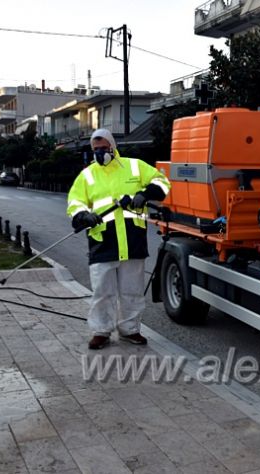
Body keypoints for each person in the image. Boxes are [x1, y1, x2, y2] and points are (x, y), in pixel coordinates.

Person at [67, 129, 171, 350]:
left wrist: (144, 194)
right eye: (96, 150)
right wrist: (84, 215)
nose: (100, 153)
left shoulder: (135, 166)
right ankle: (101, 331)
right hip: (102, 241)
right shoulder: (87, 175)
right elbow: (75, 202)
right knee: (102, 290)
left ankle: (130, 329)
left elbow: (162, 182)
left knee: (131, 289)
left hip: (132, 240)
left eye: (104, 148)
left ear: (113, 147)